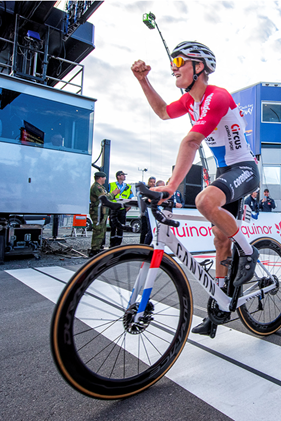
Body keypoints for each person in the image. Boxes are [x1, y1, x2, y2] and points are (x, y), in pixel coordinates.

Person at [132, 41, 260, 336]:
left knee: (203, 201)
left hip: (244, 169)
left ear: (199, 67)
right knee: (219, 240)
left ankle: (249, 253)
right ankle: (219, 307)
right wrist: (143, 80)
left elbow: (191, 142)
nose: (173, 66)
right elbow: (163, 111)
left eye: (179, 61)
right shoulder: (191, 102)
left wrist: (172, 185)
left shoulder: (217, 97)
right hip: (225, 171)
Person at [89, 172, 120, 257]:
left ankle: (98, 248)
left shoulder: (100, 187)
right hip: (97, 211)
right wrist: (113, 193)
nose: (105, 179)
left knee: (101, 230)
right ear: (100, 178)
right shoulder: (97, 187)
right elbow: (104, 197)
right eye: (104, 177)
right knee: (98, 230)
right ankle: (94, 249)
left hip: (101, 211)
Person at [109, 171, 134, 247]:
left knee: (121, 226)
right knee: (113, 226)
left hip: (122, 209)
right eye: (123, 175)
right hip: (113, 208)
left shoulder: (128, 186)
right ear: (118, 176)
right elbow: (108, 195)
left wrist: (129, 206)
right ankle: (112, 243)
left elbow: (130, 197)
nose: (124, 176)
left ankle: (118, 244)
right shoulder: (111, 185)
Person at [140, 177, 156, 245]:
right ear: (148, 182)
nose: (152, 183)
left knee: (151, 230)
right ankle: (142, 244)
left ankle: (148, 244)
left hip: (152, 212)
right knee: (144, 230)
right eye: (151, 182)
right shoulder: (145, 190)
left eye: (154, 182)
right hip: (145, 212)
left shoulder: (156, 190)